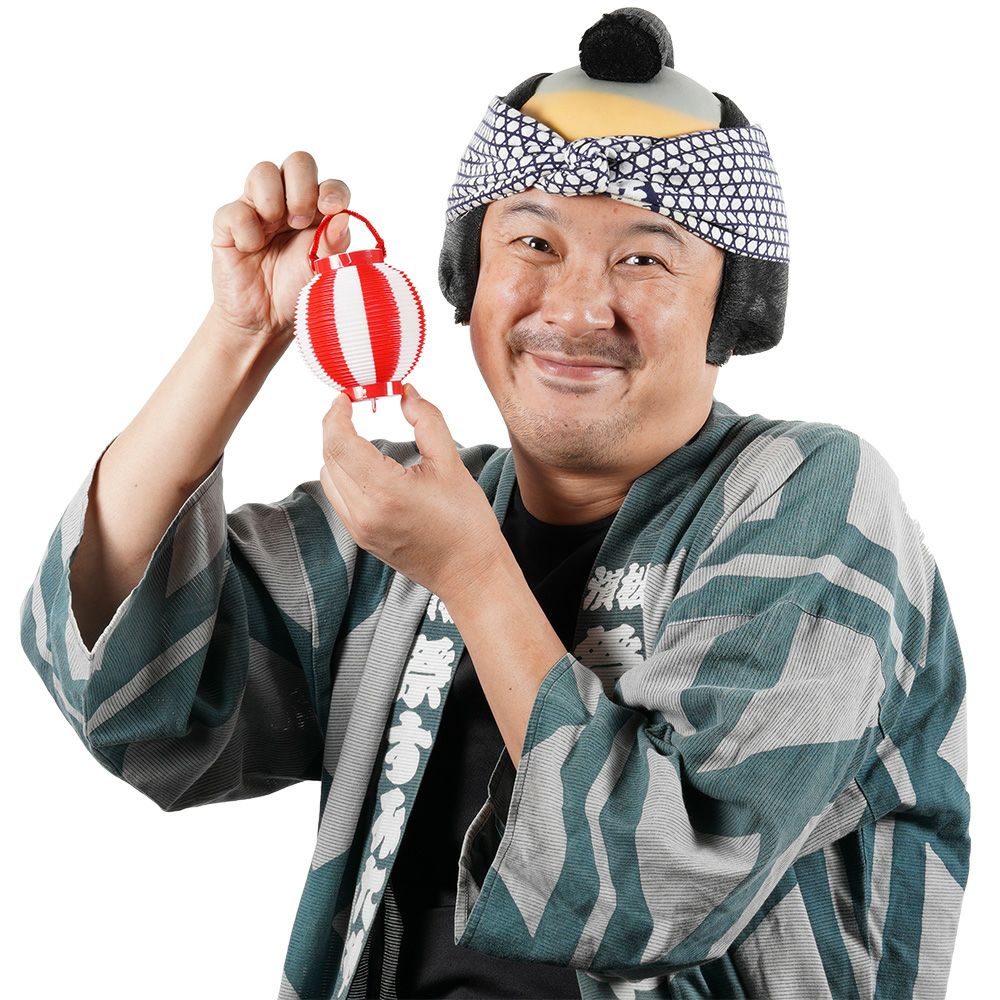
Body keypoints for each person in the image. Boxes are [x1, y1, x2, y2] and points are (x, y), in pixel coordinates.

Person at [18, 8, 970, 1000]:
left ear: (734, 309)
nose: (575, 307)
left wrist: (473, 574)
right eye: (533, 242)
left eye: (644, 258)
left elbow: (656, 891)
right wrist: (241, 333)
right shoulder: (406, 523)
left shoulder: (813, 496)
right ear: (467, 279)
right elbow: (132, 700)